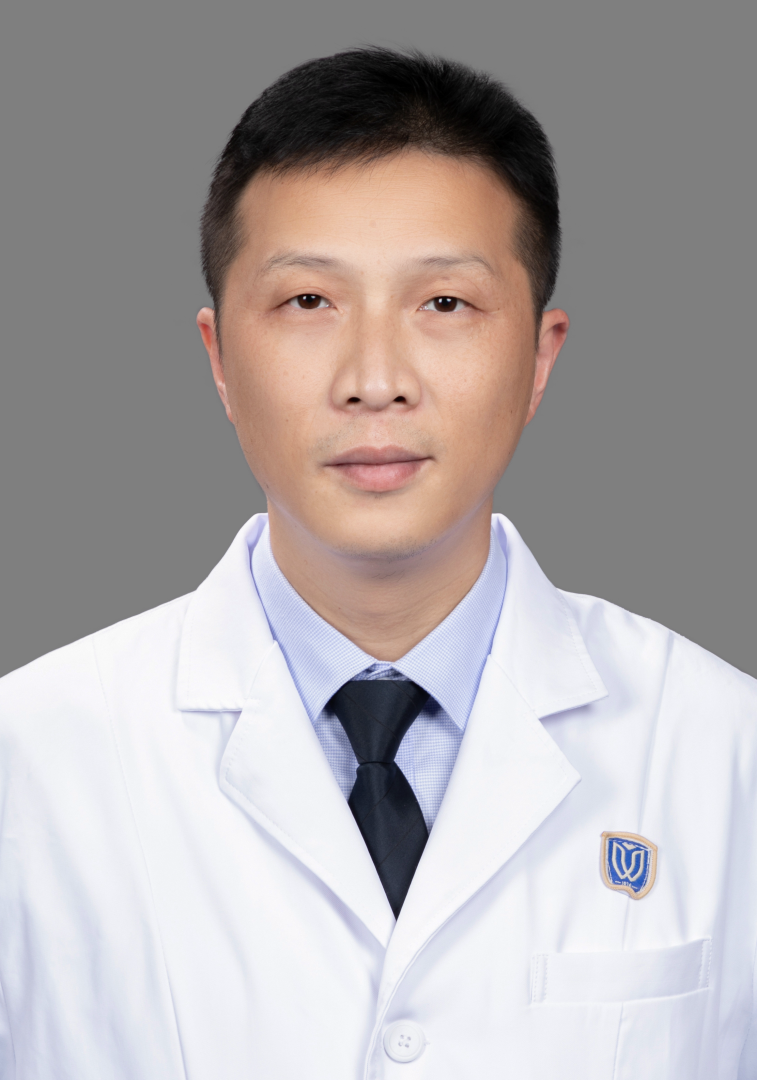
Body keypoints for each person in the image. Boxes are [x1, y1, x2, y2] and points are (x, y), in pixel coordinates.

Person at [0, 45, 755, 1080]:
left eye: (443, 304)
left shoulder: (723, 753)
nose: (373, 379)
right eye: (309, 302)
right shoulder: (30, 766)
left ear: (540, 355)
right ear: (218, 357)